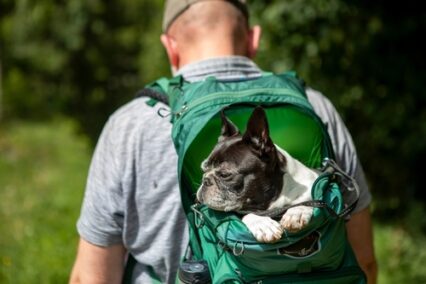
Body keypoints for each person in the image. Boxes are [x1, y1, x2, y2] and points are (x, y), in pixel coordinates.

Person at [69, 0, 378, 283]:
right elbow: (362, 260)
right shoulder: (316, 106)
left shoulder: (130, 124)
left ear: (170, 48)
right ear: (254, 40)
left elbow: (92, 275)